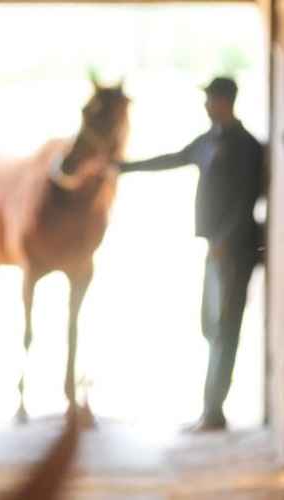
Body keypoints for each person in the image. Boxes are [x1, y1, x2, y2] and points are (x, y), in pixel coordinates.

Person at [121, 77, 264, 432]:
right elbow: (173, 158)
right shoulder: (209, 141)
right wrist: (122, 167)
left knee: (225, 329)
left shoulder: (245, 146)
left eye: (209, 99)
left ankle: (213, 412)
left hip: (233, 250)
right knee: (210, 327)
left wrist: (227, 240)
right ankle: (210, 408)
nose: (205, 105)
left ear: (223, 101)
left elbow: (247, 196)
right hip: (215, 249)